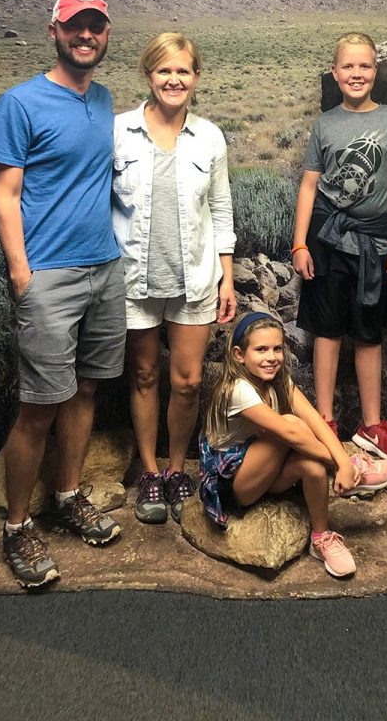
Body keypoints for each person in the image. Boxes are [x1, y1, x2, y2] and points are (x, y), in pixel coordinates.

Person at [0, 0, 125, 589]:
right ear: (54, 31)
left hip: (104, 268)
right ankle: (18, 528)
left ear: (104, 34)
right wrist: (21, 272)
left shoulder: (104, 100)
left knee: (86, 390)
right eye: (75, 27)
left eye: (95, 27)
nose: (85, 36)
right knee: (38, 407)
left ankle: (67, 496)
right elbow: (4, 193)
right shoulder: (18, 105)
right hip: (49, 275)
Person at [112, 32, 237, 525]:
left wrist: (227, 278)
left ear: (196, 77)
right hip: (134, 279)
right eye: (164, 70)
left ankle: (178, 468)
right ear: (149, 75)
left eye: (183, 71)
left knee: (186, 383)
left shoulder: (209, 137)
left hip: (195, 279)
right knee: (144, 376)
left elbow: (222, 209)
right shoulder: (119, 131)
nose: (174, 79)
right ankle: (148, 471)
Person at [291, 32, 387, 462]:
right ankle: (325, 419)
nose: (356, 73)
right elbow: (309, 186)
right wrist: (300, 243)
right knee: (326, 330)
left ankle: (371, 425)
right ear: (335, 72)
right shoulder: (325, 124)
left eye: (364, 66)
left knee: (368, 332)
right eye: (348, 66)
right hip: (327, 238)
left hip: (377, 242)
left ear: (375, 71)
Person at [199, 312, 387, 578]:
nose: (272, 357)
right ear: (239, 355)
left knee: (312, 466)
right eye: (261, 349)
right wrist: (342, 463)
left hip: (264, 471)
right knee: (290, 424)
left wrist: (340, 461)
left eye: (277, 348)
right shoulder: (237, 389)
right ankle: (354, 470)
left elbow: (315, 420)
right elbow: (289, 433)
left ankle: (321, 537)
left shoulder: (279, 380)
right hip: (234, 484)